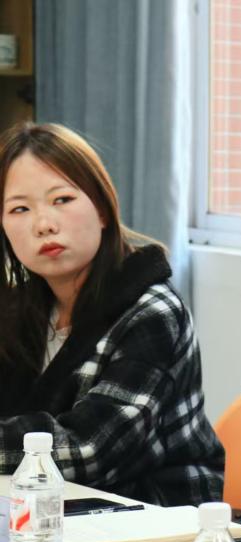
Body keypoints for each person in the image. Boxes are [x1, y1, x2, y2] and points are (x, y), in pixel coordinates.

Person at [0, 122, 223, 506]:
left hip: (152, 517)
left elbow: (90, 449)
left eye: (62, 199)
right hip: (43, 511)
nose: (44, 224)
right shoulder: (17, 309)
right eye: (20, 208)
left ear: (102, 210)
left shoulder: (153, 313)